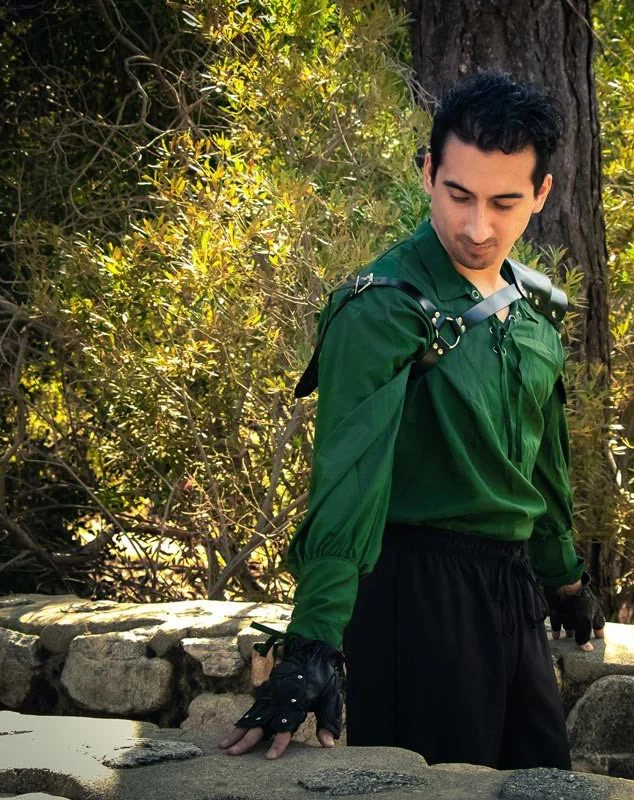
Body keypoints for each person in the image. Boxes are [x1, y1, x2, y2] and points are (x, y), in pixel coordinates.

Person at [219, 71, 604, 770]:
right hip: (413, 597)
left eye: (504, 202)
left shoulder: (538, 308)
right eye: (457, 194)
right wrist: (313, 643)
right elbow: (347, 481)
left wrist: (564, 580)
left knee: (543, 784)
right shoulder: (382, 306)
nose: (476, 226)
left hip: (514, 601)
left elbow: (543, 473)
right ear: (428, 172)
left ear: (541, 196)